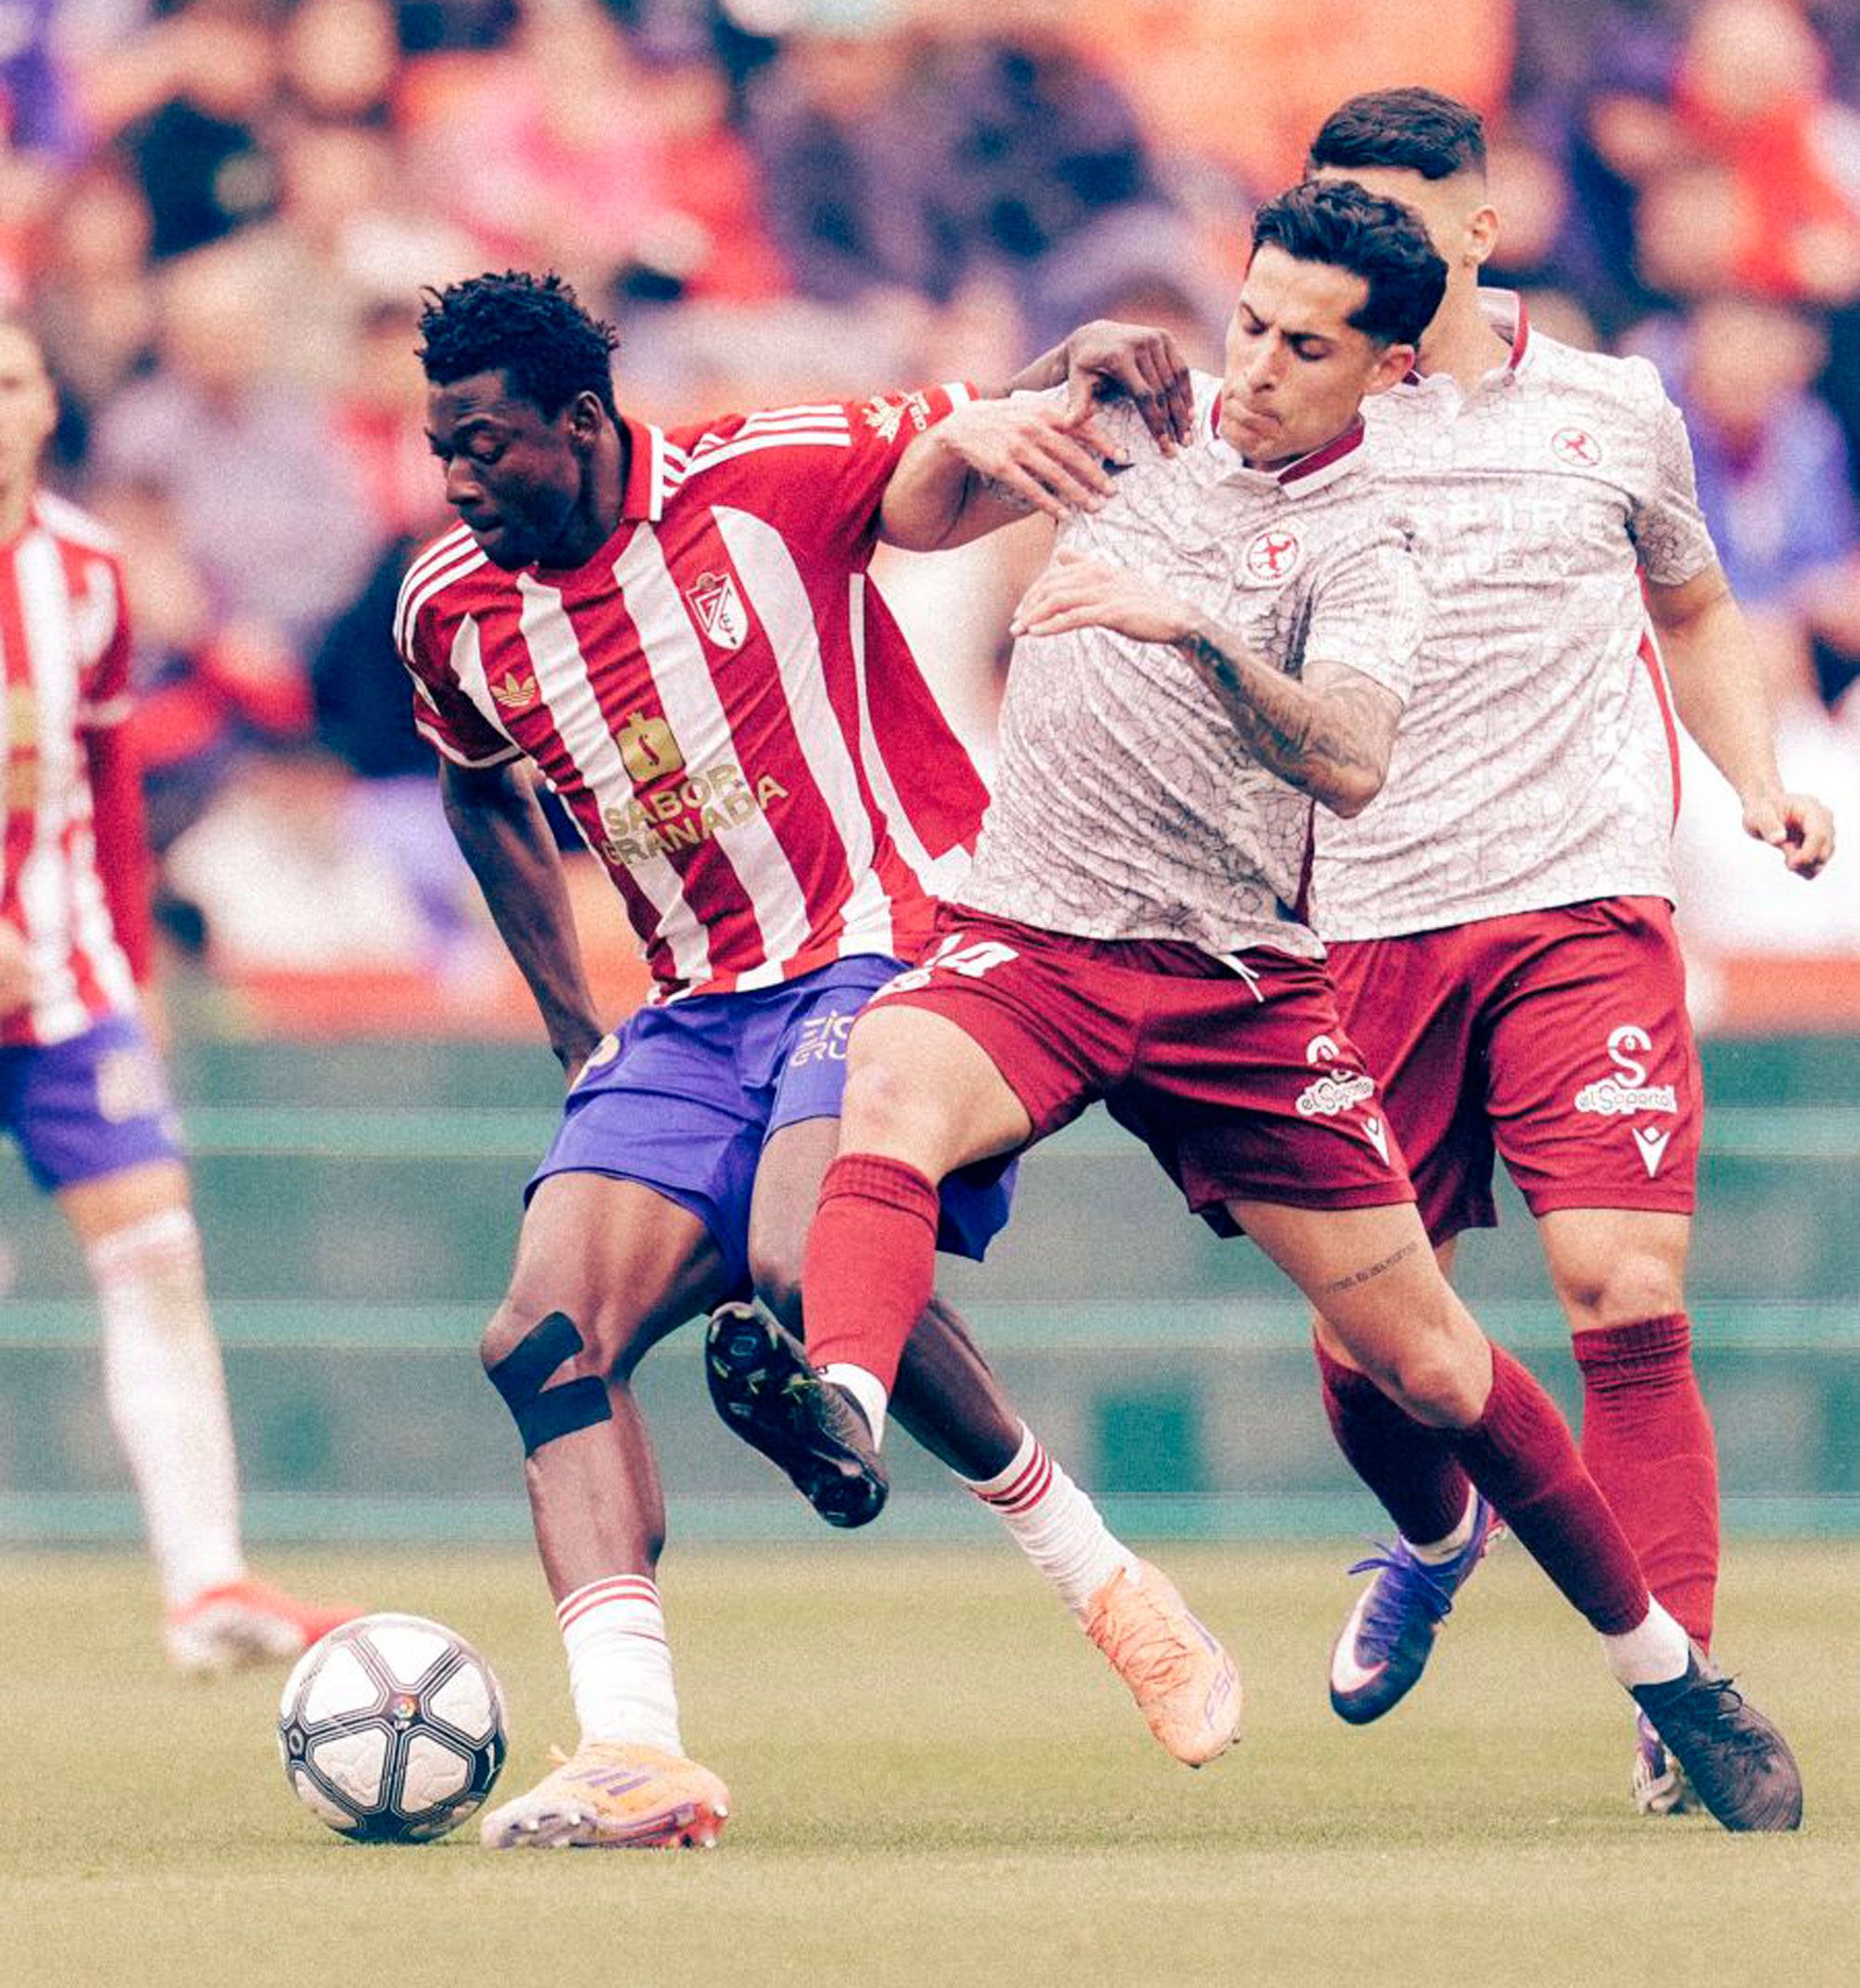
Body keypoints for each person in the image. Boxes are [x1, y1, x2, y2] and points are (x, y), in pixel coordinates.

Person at [709, 179, 1805, 1834]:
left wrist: (1194, 630)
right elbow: (919, 507)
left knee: (1432, 1369)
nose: (1261, 367)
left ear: (1381, 369)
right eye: (1249, 324)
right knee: (891, 1090)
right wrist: (1009, 408)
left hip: (1236, 990)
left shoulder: (1374, 541)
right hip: (1043, 937)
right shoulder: (1139, 422)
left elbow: (1351, 761)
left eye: (1306, 346)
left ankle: (1667, 1671)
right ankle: (843, 1411)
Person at [397, 270, 1239, 1852]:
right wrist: (584, 1035)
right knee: (538, 1332)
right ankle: (638, 1751)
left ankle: (1107, 1582)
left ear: (582, 422)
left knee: (803, 1259)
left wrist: (1070, 373)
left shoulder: (763, 474)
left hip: (897, 939)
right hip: (695, 1006)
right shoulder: (450, 603)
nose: (456, 479)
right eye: (439, 445)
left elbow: (950, 462)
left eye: (486, 445)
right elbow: (476, 788)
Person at [1297, 88, 1836, 1815]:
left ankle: (1674, 1689)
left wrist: (1754, 777)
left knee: (1627, 1288)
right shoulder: (1292, 422)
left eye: (1395, 215)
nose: (1365, 249)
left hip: (1582, 904)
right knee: (1381, 1351)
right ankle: (1437, 1532)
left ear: (1477, 224)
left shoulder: (1614, 407)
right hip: (1366, 921)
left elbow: (1689, 598)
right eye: (1335, 216)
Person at [0, 318, 352, 1673]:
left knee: (157, 1258)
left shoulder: (88, 572)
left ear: (48, 409)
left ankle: (205, 1582)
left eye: (19, 378)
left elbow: (105, 789)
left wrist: (132, 969)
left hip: (68, 979)